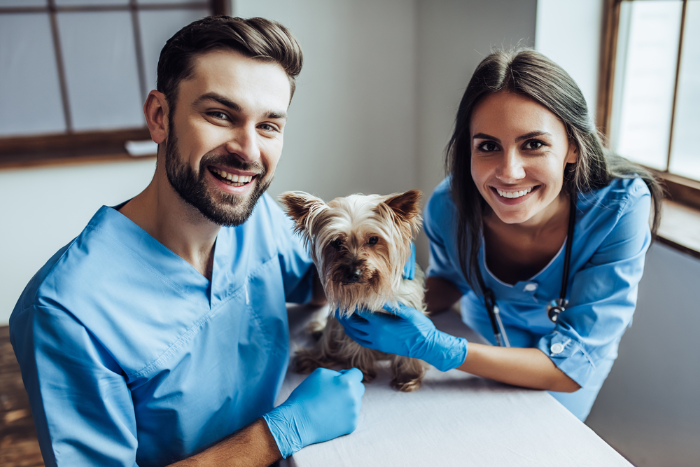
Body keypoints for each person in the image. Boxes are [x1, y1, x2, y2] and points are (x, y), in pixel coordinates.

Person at [10, 16, 364, 467]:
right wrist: (281, 433)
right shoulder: (66, 312)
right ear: (160, 117)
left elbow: (317, 282)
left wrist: (381, 264)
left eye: (269, 126)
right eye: (220, 115)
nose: (249, 151)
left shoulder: (256, 219)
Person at [338, 48, 662, 421]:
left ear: (573, 146)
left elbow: (574, 364)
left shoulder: (620, 209)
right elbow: (451, 280)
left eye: (534, 144)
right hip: (485, 328)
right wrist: (387, 293)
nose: (509, 172)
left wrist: (438, 347)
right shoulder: (448, 206)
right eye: (488, 146)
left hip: (572, 353)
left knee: (548, 435)